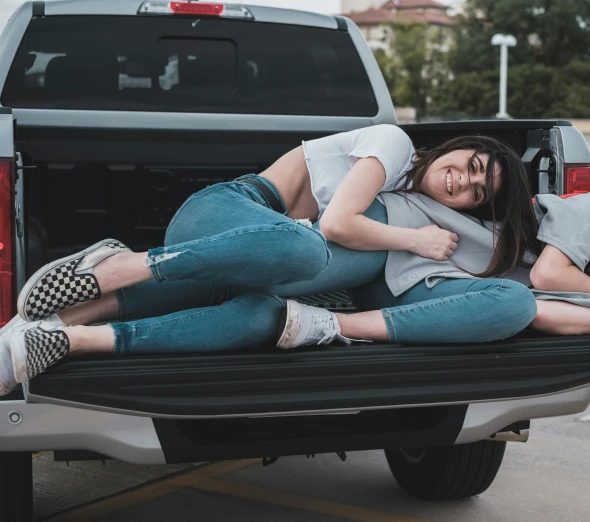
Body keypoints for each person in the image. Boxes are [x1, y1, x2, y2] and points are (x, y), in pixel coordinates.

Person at [0, 125, 540, 395]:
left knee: (265, 315)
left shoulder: (414, 202)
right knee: (303, 245)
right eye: (469, 164)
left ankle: (68, 335)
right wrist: (416, 242)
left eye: (474, 191)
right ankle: (115, 267)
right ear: (455, 146)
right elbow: (336, 225)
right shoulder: (394, 143)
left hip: (262, 262)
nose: (461, 181)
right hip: (228, 211)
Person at [347, 190, 590, 417]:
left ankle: (329, 323)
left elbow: (536, 313)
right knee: (298, 262)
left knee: (515, 303)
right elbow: (547, 276)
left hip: (412, 285)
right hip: (400, 230)